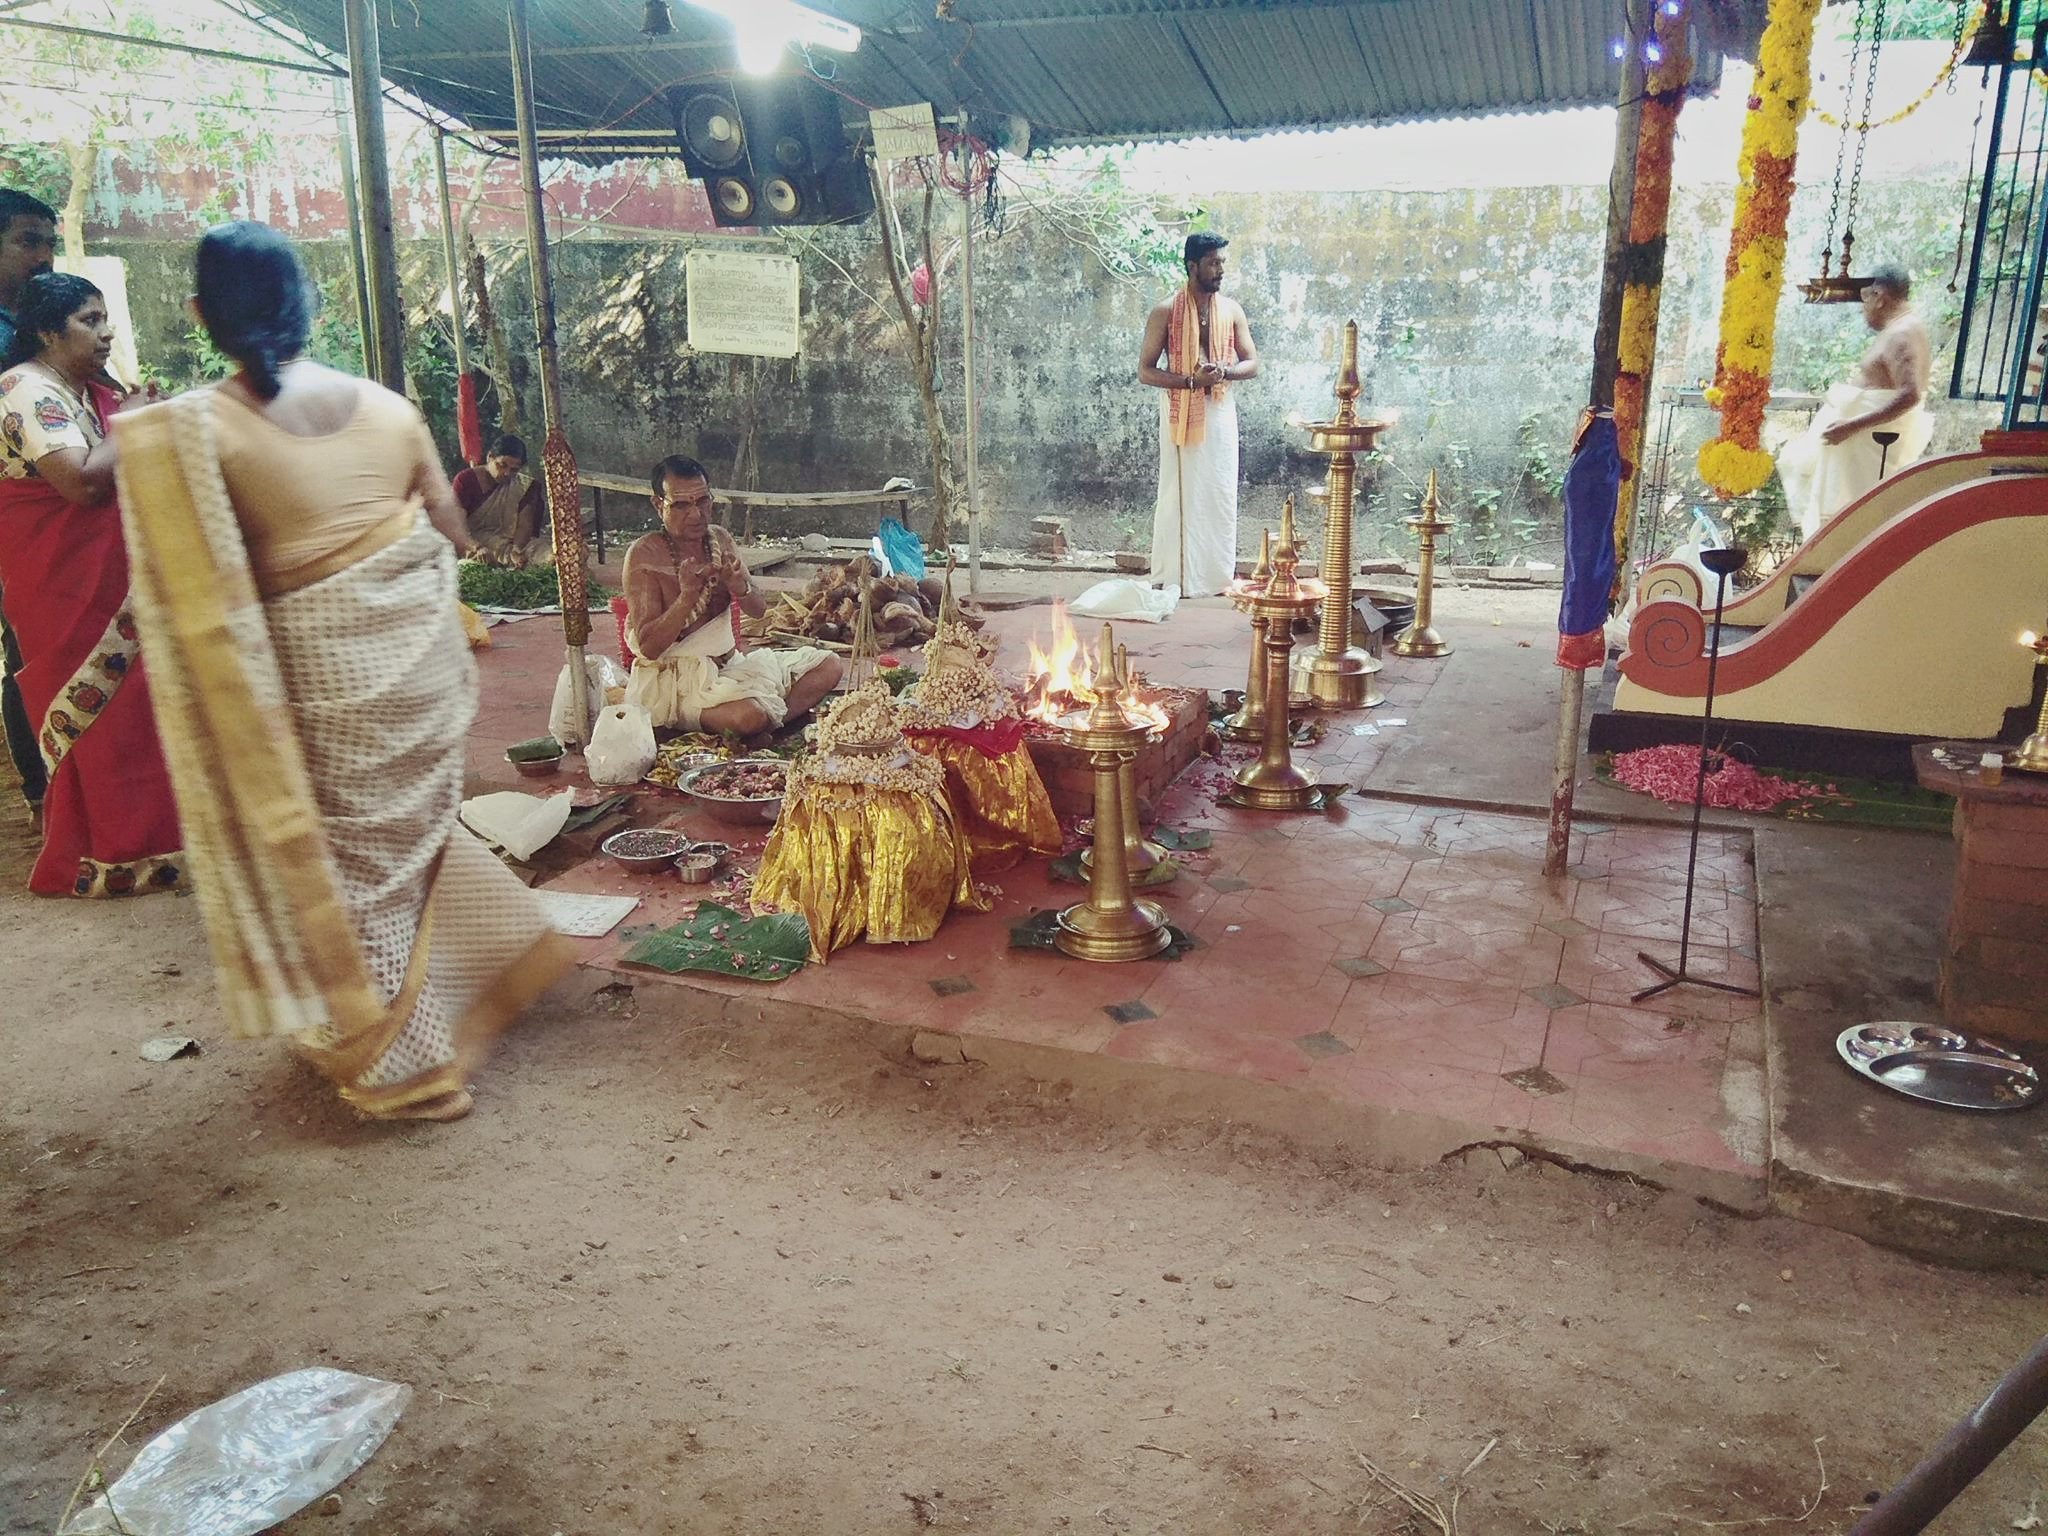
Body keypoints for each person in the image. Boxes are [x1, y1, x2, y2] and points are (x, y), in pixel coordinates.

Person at [114, 222, 573, 1122]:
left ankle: (406, 1064)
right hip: (414, 677)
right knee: (413, 846)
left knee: (349, 876)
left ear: (202, 313)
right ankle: (488, 965)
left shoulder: (195, 432)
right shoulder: (389, 409)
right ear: (310, 304)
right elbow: (451, 535)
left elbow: (207, 591)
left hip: (321, 692)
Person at [0, 272, 182, 895]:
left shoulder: (80, 390)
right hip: (62, 584)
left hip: (107, 580)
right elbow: (79, 483)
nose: (106, 334)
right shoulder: (23, 388)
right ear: (49, 331)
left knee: (138, 707)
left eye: (106, 320)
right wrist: (132, 423)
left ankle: (152, 846)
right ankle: (110, 854)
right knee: (102, 714)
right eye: (89, 321)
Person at [622, 455, 842, 734]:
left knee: (829, 664)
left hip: (732, 667)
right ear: (658, 504)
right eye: (681, 505)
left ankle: (767, 724)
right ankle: (759, 722)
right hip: (677, 685)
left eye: (702, 501)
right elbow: (649, 647)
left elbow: (759, 610)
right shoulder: (644, 555)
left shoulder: (720, 539)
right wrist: (686, 598)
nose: (696, 514)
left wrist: (741, 588)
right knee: (746, 716)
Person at [1138, 231, 1259, 598]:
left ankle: (1214, 577)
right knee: (1181, 491)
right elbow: (1146, 370)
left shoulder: (1231, 310)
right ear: (1193, 266)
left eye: (1222, 262)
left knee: (1217, 491)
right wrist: (1191, 380)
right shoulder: (1165, 311)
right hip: (1180, 409)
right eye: (1213, 263)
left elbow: (1252, 363)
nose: (1221, 270)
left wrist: (1224, 372)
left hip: (1220, 410)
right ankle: (1176, 575)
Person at [1777, 263, 1933, 540]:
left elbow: (1910, 394)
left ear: (1879, 295)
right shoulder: (1901, 328)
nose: (1863, 308)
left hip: (1875, 444)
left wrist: (1852, 426)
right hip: (1860, 441)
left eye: (1865, 299)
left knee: (1855, 520)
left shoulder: (1902, 333)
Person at [0, 189, 59, 824]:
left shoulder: (35, 325)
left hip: (41, 519)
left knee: (35, 643)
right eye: (27, 241)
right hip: (16, 517)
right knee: (26, 649)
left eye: (49, 242)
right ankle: (45, 794)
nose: (42, 256)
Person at [452, 432, 546, 565]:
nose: (507, 473)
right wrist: (475, 548)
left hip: (511, 544)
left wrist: (517, 549)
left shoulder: (525, 487)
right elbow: (456, 525)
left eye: (514, 470)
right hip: (475, 541)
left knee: (543, 552)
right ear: (490, 457)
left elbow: (525, 526)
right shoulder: (466, 481)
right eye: (502, 465)